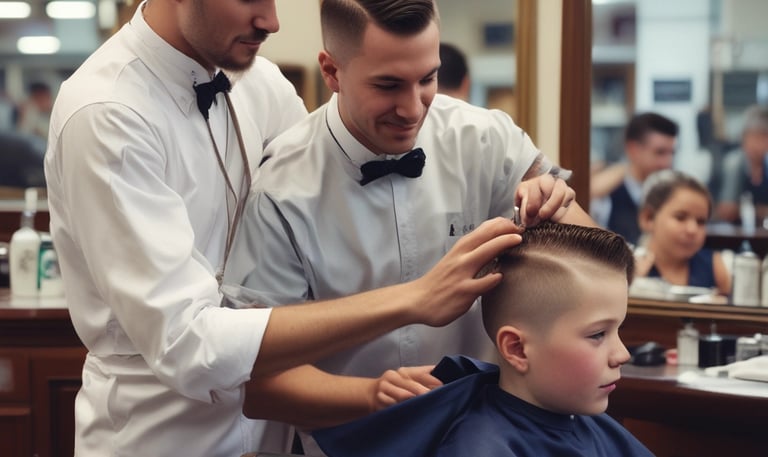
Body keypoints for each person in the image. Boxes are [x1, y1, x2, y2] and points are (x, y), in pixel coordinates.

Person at [42, 1, 524, 456]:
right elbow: (186, 342)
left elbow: (318, 230)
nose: (272, 21)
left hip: (278, 438)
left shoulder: (263, 85)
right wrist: (413, 299)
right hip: (159, 435)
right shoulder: (106, 114)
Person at [225, 0, 594, 453]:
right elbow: (261, 387)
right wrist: (372, 394)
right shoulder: (279, 192)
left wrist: (562, 212)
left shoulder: (487, 139)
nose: (412, 108)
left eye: (428, 79)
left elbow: (601, 272)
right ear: (331, 71)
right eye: (388, 85)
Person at [310, 223, 654, 457]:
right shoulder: (480, 445)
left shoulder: (591, 424)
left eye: (618, 330)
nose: (621, 354)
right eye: (598, 335)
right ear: (517, 348)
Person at [634, 170, 731, 294]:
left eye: (701, 222)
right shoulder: (629, 269)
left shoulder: (715, 267)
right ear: (648, 218)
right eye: (680, 217)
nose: (692, 230)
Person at [590, 111, 679, 246]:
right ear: (633, 149)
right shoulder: (606, 193)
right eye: (660, 152)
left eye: (671, 153)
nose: (667, 162)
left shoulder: (673, 193)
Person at [716, 104, 768, 224]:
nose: (758, 144)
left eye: (764, 138)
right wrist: (761, 210)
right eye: (754, 137)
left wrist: (746, 209)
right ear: (743, 137)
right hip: (732, 234)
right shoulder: (733, 163)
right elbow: (727, 210)